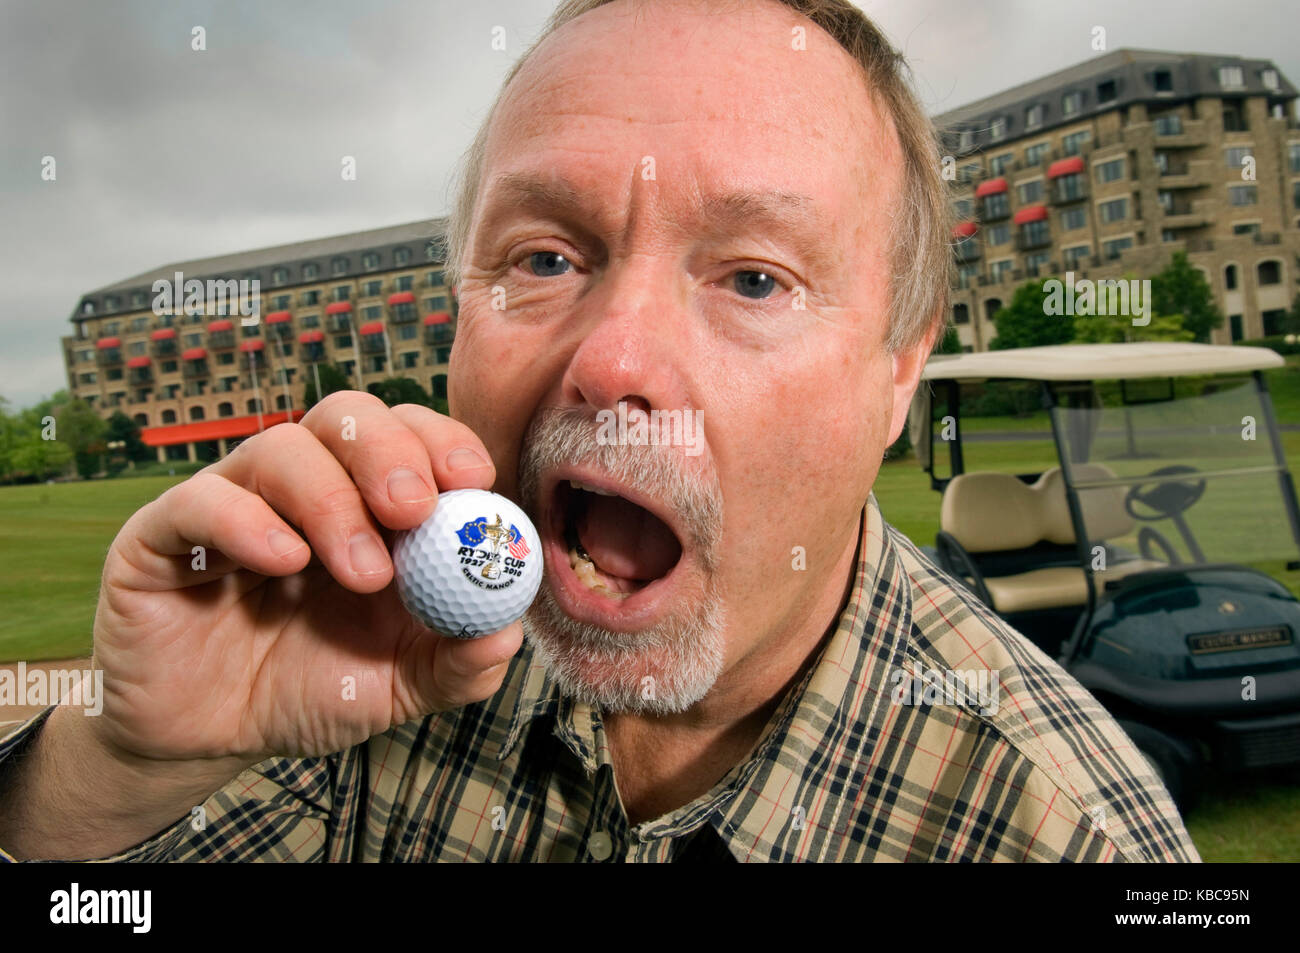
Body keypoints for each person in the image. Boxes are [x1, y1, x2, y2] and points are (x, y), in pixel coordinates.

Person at [0, 0, 1198, 862]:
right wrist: (116, 767)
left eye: (754, 278)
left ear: (898, 369)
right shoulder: (349, 650)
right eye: (544, 257)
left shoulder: (1070, 836)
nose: (613, 359)